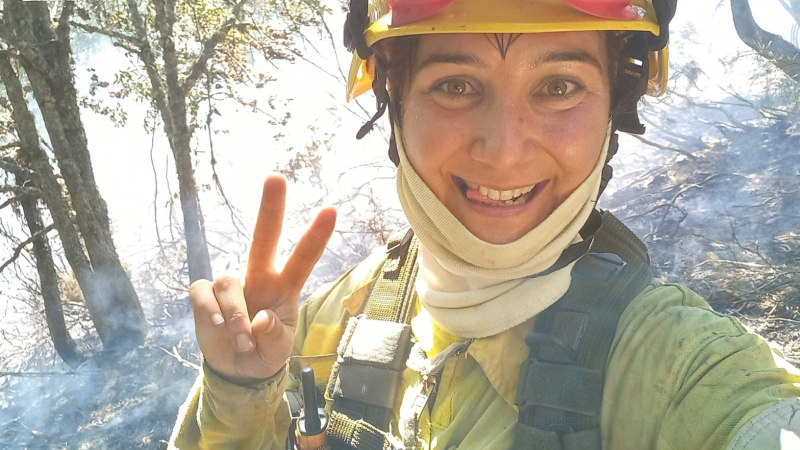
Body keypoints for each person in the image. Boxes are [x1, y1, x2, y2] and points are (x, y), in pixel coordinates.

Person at [170, 0, 800, 449]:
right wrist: (241, 393)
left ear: (615, 106)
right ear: (394, 103)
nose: (504, 151)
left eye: (558, 86)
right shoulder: (340, 310)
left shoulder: (678, 364)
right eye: (455, 85)